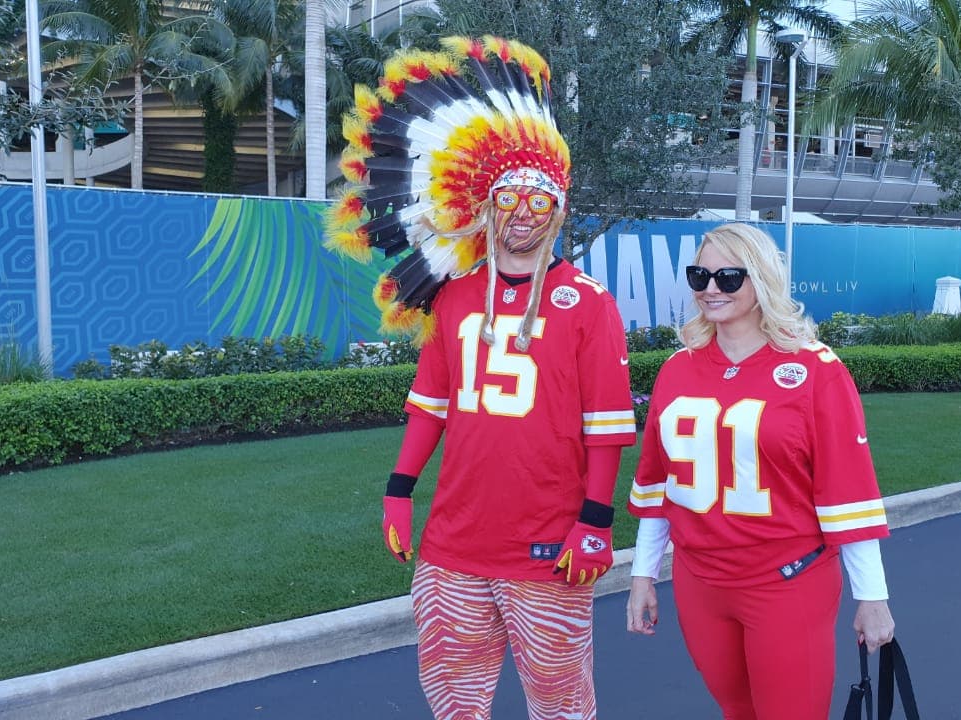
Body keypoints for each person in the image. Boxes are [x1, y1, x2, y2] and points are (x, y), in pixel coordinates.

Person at [327, 37, 635, 720]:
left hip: (549, 552)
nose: (524, 210)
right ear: (485, 202)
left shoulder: (589, 304)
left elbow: (606, 424)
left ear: (558, 210)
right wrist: (398, 491)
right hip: (452, 548)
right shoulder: (456, 297)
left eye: (540, 197)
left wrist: (595, 520)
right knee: (454, 701)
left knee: (561, 705)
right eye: (511, 194)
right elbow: (431, 406)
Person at [624, 223, 896, 720]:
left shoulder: (816, 369)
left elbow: (848, 490)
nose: (710, 287)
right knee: (737, 710)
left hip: (786, 582)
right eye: (699, 275)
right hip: (700, 583)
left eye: (729, 277)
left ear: (762, 280)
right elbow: (659, 483)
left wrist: (872, 597)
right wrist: (643, 572)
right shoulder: (676, 369)